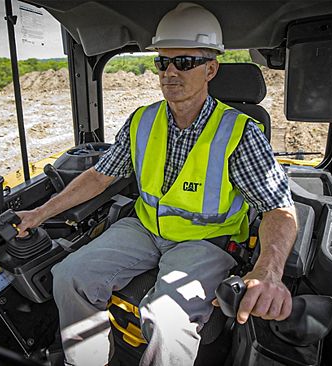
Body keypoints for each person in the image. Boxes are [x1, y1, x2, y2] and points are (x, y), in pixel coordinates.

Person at [15, 3, 297, 365]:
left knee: (165, 317)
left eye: (185, 62)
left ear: (211, 69)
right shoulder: (142, 121)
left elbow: (278, 207)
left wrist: (268, 271)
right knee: (69, 275)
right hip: (143, 229)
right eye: (162, 62)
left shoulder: (239, 133)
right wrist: (39, 213)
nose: (169, 73)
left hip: (205, 241)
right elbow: (100, 176)